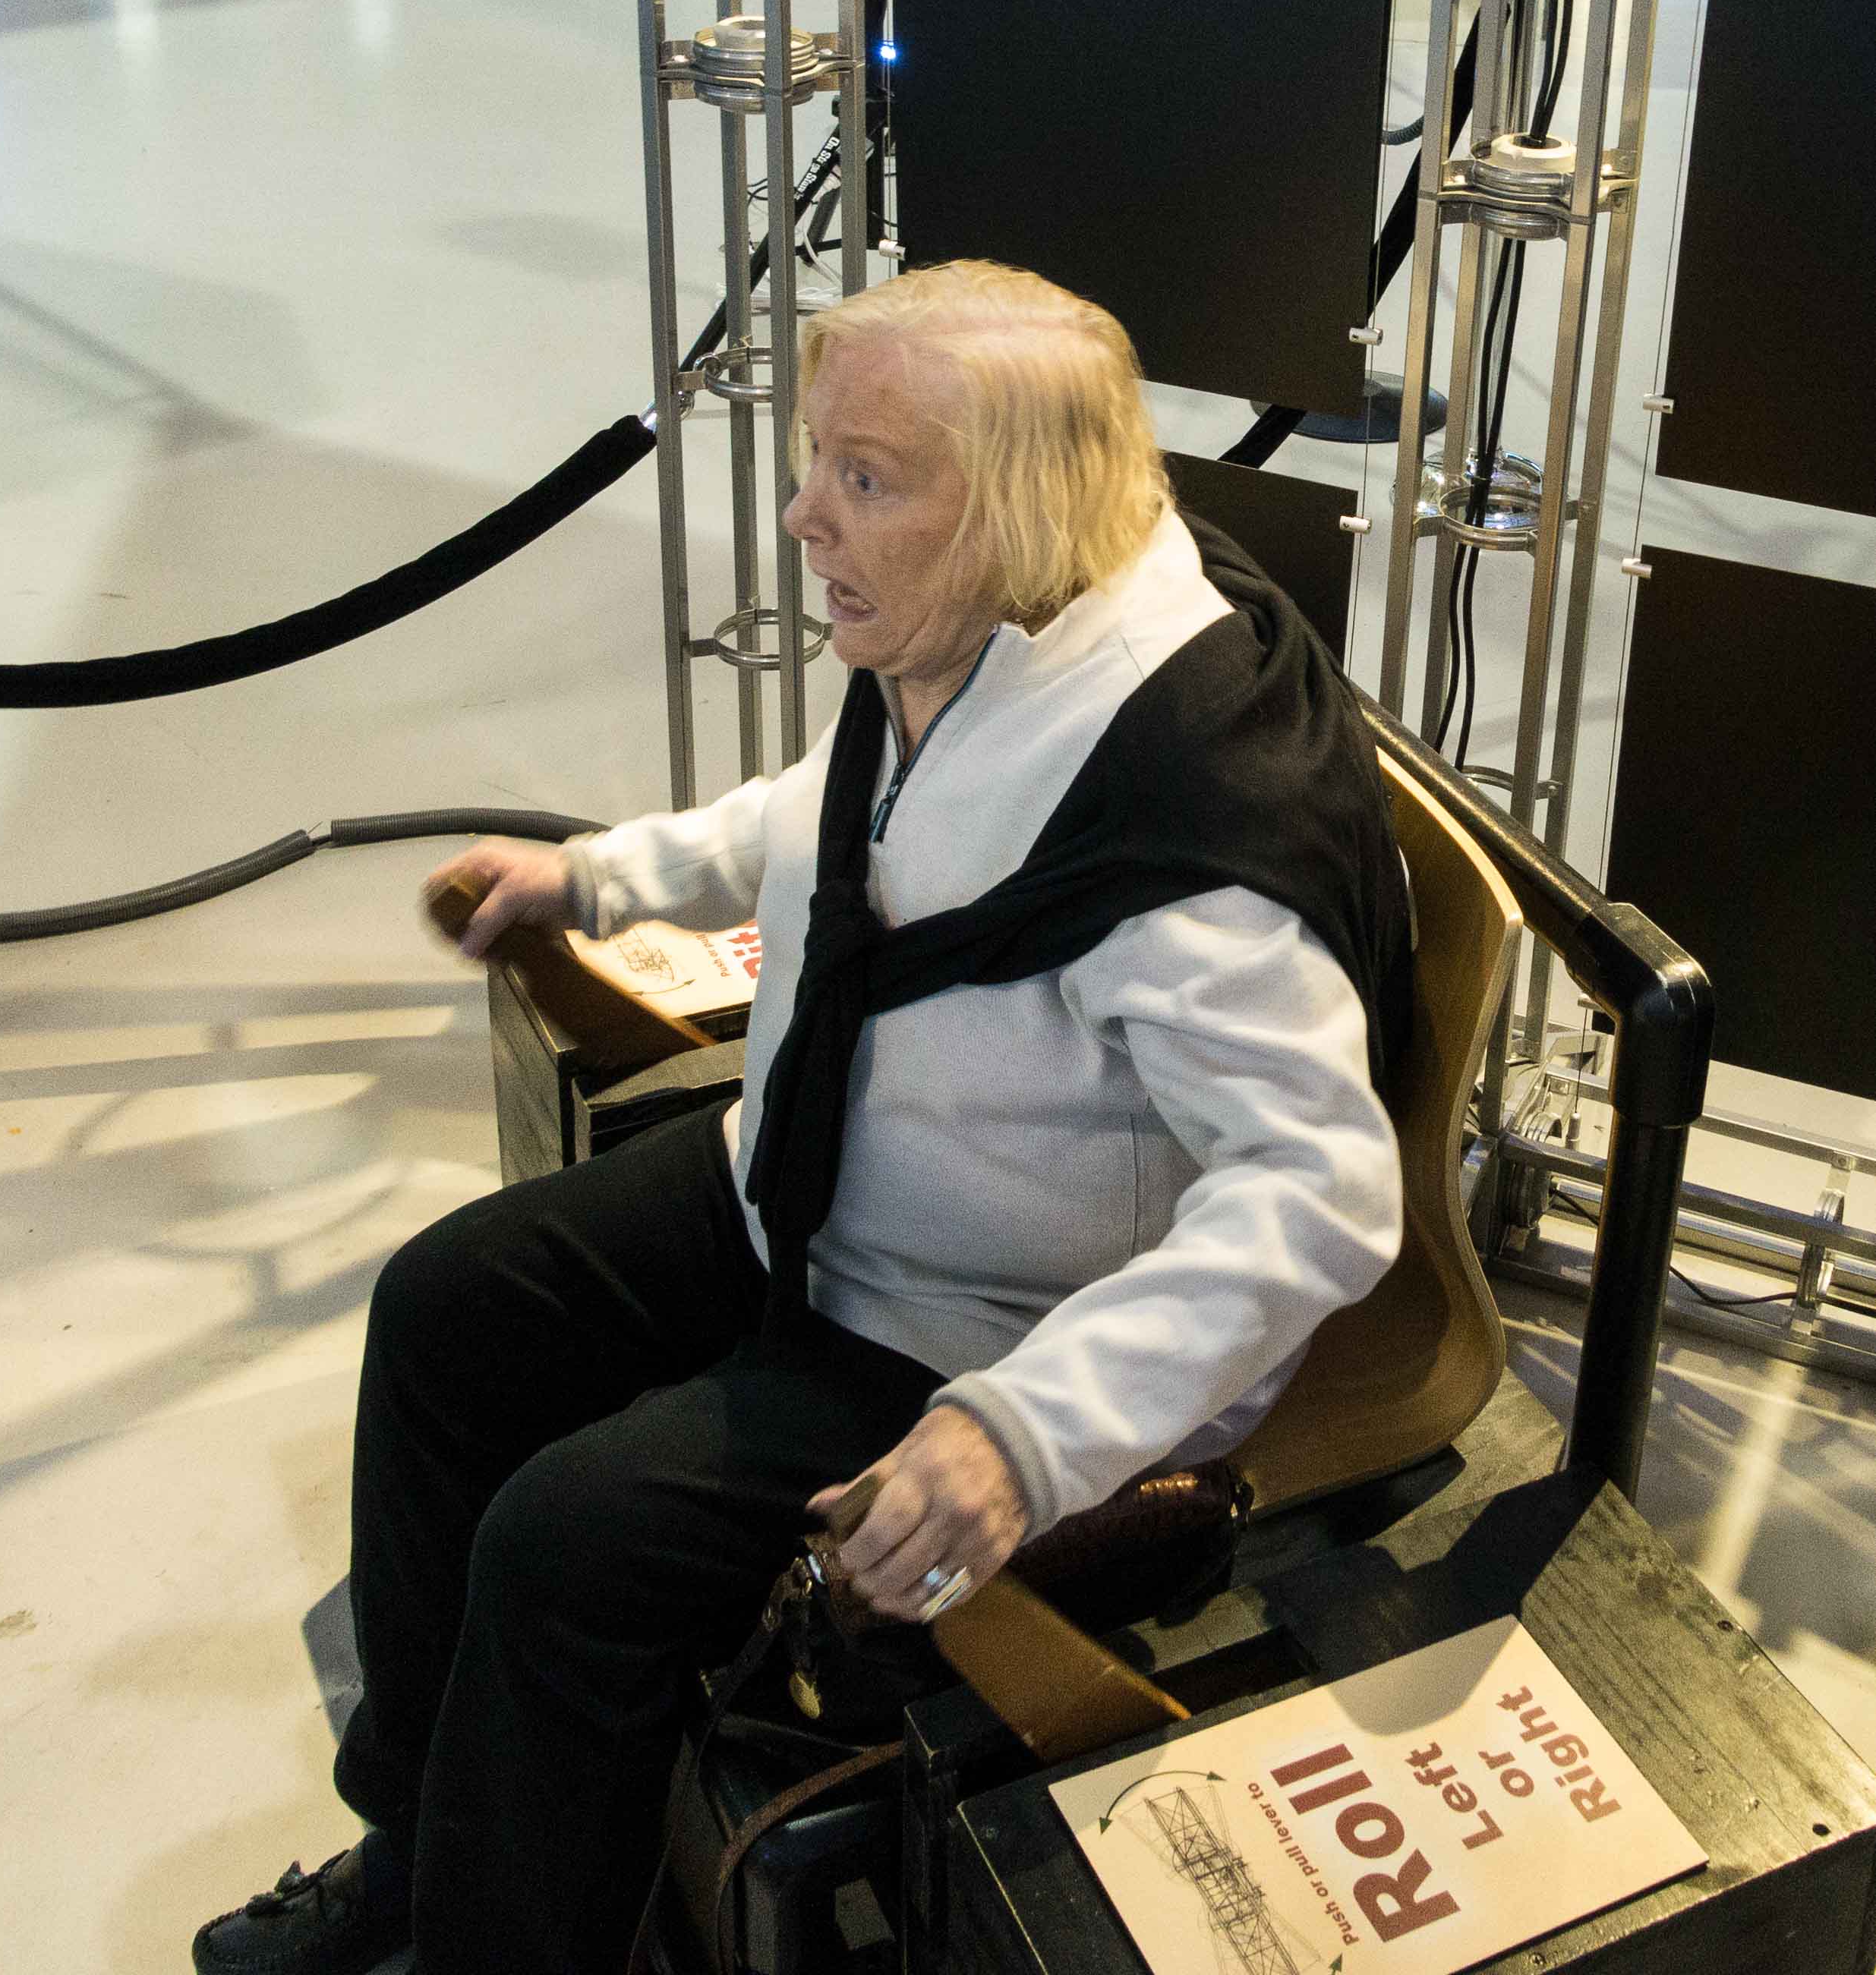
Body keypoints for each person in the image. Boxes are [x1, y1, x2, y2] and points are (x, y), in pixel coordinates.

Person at [194, 260, 1410, 1975]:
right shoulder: (997, 614)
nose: (801, 517)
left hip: (977, 1325)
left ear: (1015, 503)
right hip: (814, 1185)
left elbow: (1317, 1194)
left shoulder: (1186, 832)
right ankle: (423, 1835)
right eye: (815, 462)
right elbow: (852, 810)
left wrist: (1026, 1433)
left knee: (569, 1545)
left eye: (864, 478)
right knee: (450, 1309)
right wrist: (601, 878)